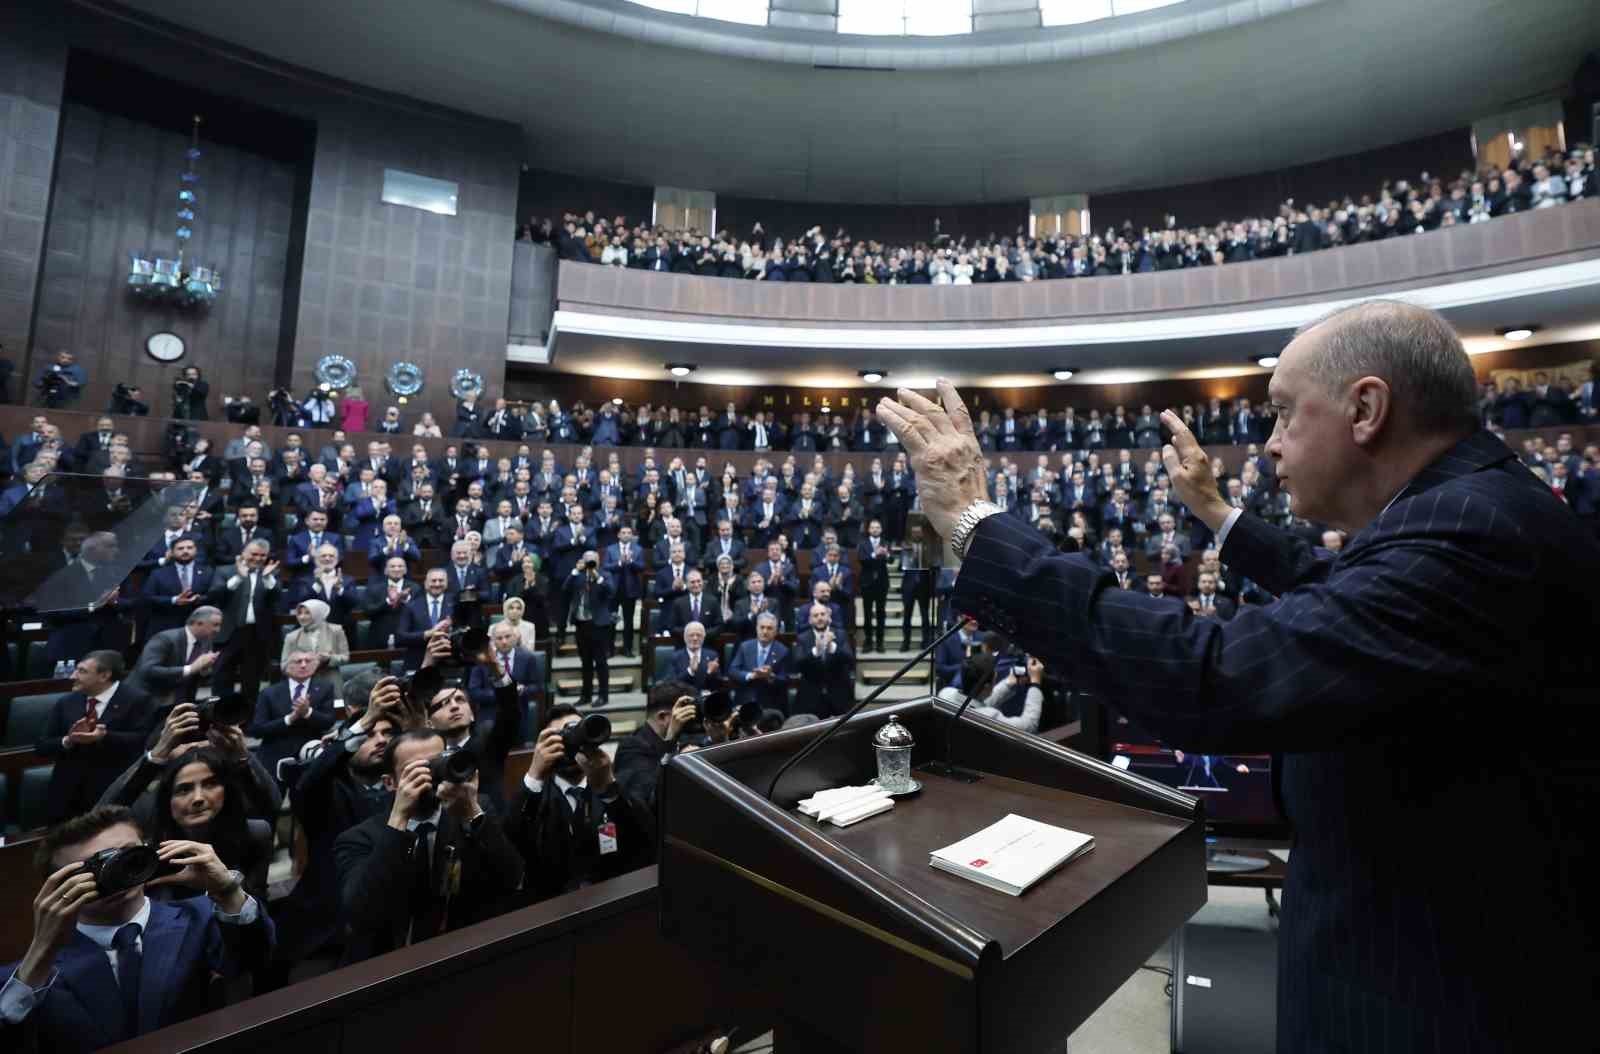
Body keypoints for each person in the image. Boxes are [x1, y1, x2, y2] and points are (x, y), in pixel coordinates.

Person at [876, 301, 1600, 1052]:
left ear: (1366, 409)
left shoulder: (1471, 535)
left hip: (1433, 1002)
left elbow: (1216, 675)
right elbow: (1337, 587)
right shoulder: (1471, 507)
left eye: (1284, 412)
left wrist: (974, 523)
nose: (1271, 442)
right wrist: (1217, 512)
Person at [0, 805, 274, 1051]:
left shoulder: (197, 917)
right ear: (57, 886)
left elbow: (255, 960)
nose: (115, 872)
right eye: (93, 868)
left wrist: (227, 890)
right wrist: (41, 950)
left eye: (127, 856)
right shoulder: (30, 974)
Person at [332, 727, 524, 964]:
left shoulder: (474, 810)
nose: (432, 775)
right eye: (416, 770)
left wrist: (472, 813)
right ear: (390, 782)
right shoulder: (358, 838)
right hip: (390, 962)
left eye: (438, 763)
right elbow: (360, 913)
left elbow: (512, 878)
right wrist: (399, 820)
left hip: (464, 951)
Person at [98, 711, 280, 906]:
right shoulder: (146, 804)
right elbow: (101, 817)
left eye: (210, 784)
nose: (198, 798)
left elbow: (270, 804)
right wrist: (157, 753)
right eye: (184, 790)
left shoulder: (251, 827)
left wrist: (242, 755)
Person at [505, 704, 655, 901]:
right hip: (551, 906)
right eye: (561, 735)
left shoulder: (612, 786)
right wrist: (535, 775)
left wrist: (608, 790)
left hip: (610, 899)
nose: (571, 740)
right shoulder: (536, 795)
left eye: (576, 730)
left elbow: (644, 841)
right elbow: (512, 842)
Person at [35, 651, 153, 825]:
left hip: (111, 793)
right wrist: (69, 740)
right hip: (67, 793)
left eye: (82, 671)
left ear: (104, 675)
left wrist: (104, 736)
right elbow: (41, 746)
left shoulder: (137, 700)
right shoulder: (66, 702)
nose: (73, 676)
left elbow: (142, 741)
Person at [206, 542, 281, 706]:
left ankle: (248, 716)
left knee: (252, 680)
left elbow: (277, 599)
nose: (258, 558)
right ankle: (220, 714)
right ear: (243, 553)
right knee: (222, 678)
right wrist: (239, 577)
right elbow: (214, 595)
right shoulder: (225, 571)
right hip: (228, 634)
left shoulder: (270, 573)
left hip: (256, 634)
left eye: (262, 555)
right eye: (254, 554)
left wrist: (268, 578)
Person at [248, 651, 338, 781]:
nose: (303, 665)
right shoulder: (268, 693)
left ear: (315, 665)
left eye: (308, 661)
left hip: (309, 754)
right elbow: (257, 730)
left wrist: (308, 713)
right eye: (298, 661)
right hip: (275, 754)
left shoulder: (325, 688)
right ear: (287, 667)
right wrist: (289, 719)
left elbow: (329, 722)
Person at [613, 682, 699, 810]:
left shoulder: (684, 739)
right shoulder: (631, 747)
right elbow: (645, 800)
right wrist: (670, 743)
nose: (691, 718)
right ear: (663, 717)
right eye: (685, 713)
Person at [935, 652, 1044, 733]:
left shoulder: (945, 693)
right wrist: (1035, 683)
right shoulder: (991, 716)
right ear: (987, 687)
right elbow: (1029, 725)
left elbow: (977, 704)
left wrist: (1009, 683)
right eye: (994, 681)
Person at [563, 549, 615, 706]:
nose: (591, 563)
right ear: (583, 561)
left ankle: (603, 696)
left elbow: (611, 592)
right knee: (585, 662)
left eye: (594, 560)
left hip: (598, 625)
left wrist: (597, 577)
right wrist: (574, 571)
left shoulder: (605, 575)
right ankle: (586, 695)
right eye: (588, 560)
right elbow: (565, 589)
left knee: (601, 662)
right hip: (581, 624)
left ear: (599, 561)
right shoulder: (578, 575)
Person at [793, 605, 854, 718]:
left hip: (839, 695)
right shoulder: (802, 638)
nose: (819, 618)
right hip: (812, 697)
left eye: (822, 614)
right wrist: (815, 651)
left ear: (829, 617)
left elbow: (850, 659)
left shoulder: (840, 634)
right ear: (810, 620)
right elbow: (798, 663)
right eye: (815, 615)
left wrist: (832, 647)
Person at [728, 613, 792, 715]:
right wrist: (750, 675)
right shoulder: (745, 647)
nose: (765, 631)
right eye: (762, 627)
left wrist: (770, 676)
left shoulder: (783, 651)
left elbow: (785, 679)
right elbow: (732, 671)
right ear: (756, 628)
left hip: (771, 705)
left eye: (769, 628)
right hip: (745, 702)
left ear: (776, 631)